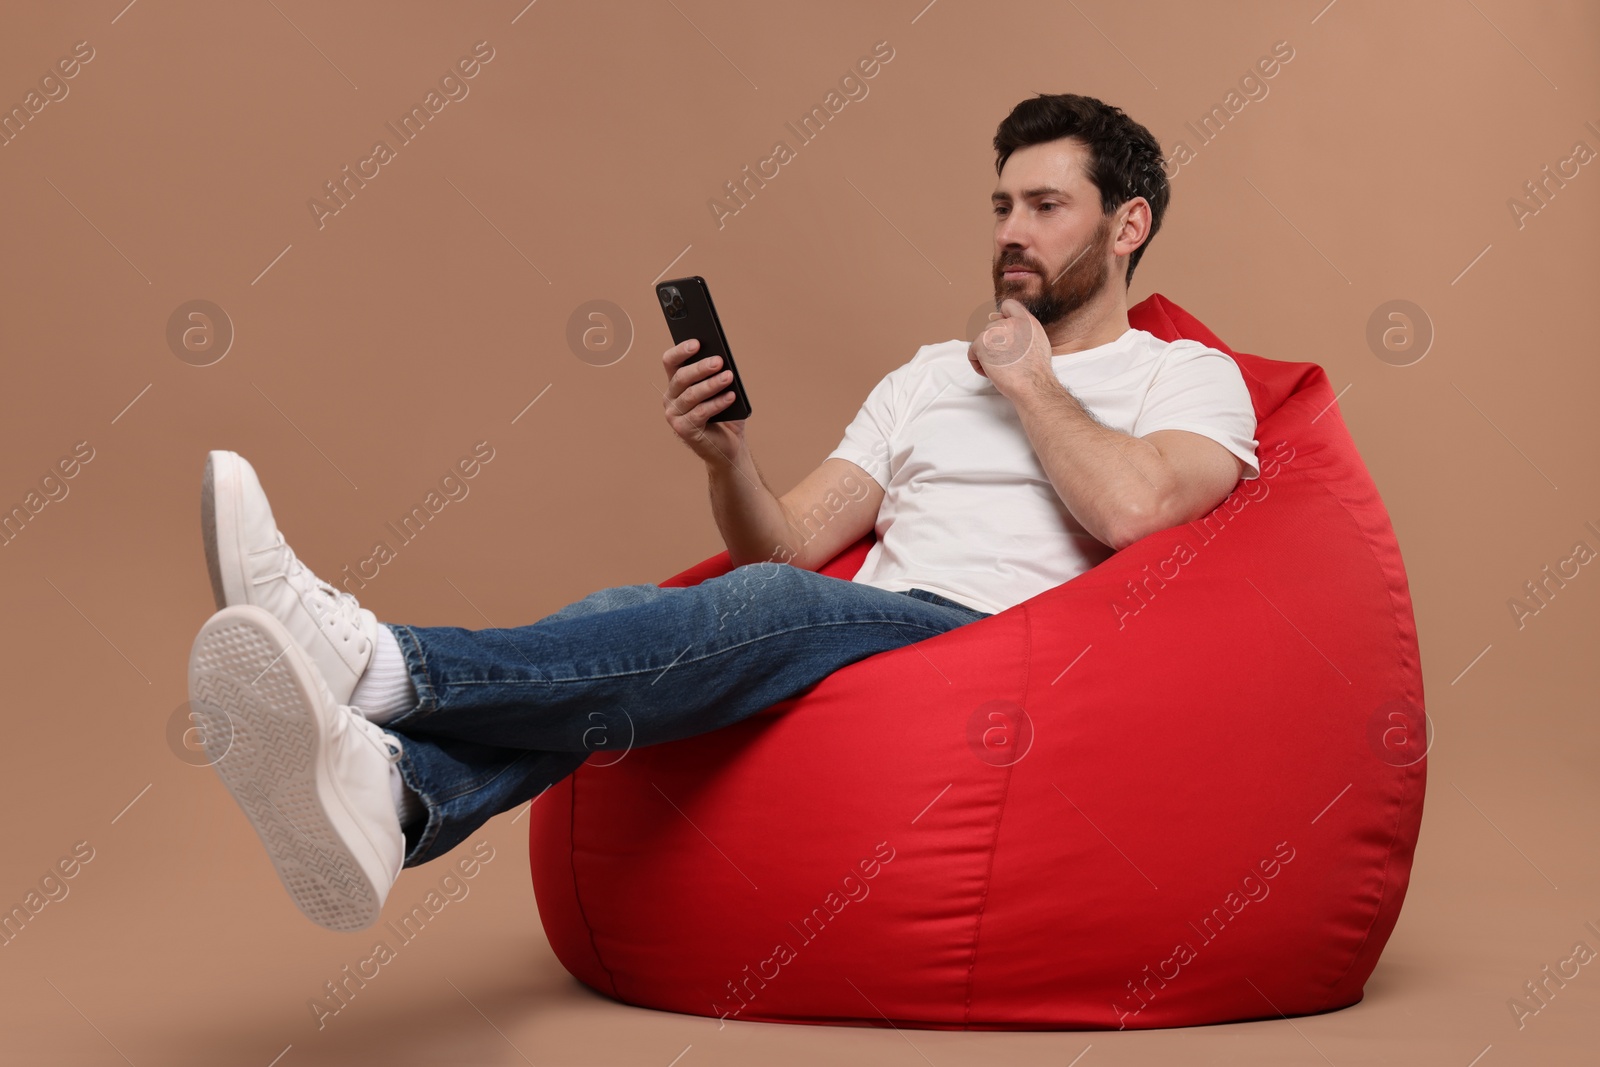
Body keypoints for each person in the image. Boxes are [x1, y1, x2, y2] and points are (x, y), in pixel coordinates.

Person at [185, 93, 1260, 933]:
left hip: (998, 644)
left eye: (1045, 206)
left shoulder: (1185, 376)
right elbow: (791, 542)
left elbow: (1136, 510)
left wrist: (1029, 379)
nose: (1011, 232)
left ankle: (385, 664)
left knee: (770, 604)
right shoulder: (928, 377)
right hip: (864, 639)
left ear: (1128, 224)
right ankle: (401, 796)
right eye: (999, 206)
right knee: (638, 605)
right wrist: (726, 461)